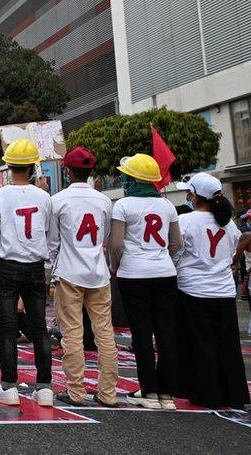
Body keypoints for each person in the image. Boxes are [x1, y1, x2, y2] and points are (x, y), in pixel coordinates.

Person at [0, 138, 54, 407]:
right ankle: (45, 387)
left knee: (8, 327)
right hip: (35, 265)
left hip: (7, 265)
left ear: (8, 165)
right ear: (33, 166)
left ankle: (9, 386)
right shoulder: (44, 197)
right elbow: (47, 232)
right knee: (39, 328)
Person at [109, 153, 181, 410]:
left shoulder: (123, 205)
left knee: (141, 333)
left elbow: (116, 244)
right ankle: (167, 394)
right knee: (166, 333)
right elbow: (177, 244)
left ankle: (149, 391)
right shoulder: (168, 206)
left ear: (132, 178)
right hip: (165, 273)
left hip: (134, 274)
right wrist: (162, 258)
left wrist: (114, 266)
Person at [47, 147, 119, 408]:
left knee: (73, 334)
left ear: (67, 170)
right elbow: (107, 237)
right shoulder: (104, 201)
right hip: (98, 273)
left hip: (69, 273)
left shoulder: (58, 200)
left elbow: (53, 242)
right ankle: (108, 393)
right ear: (91, 171)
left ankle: (76, 392)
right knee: (105, 334)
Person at [173, 173, 249, 409]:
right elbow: (238, 244)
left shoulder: (185, 221)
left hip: (193, 288)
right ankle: (234, 393)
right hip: (223, 289)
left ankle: (207, 393)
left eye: (189, 192)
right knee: (227, 344)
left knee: (200, 344)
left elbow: (176, 251)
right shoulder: (227, 223)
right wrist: (232, 262)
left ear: (195, 196)